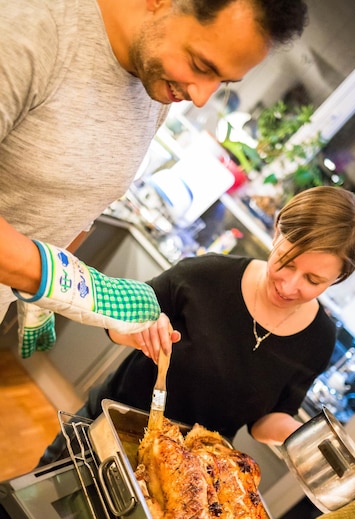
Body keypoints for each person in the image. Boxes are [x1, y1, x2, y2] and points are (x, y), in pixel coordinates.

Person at [0, 186, 355, 519]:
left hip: (193, 476)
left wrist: (294, 436)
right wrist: (137, 330)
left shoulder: (318, 341)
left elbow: (265, 419)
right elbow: (117, 318)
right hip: (107, 432)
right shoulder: (205, 276)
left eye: (314, 280)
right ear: (278, 232)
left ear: (338, 280)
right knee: (35, 512)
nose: (290, 285)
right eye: (287, 262)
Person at [0, 0, 308, 357]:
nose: (201, 96)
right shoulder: (34, 27)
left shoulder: (155, 88)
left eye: (221, 81)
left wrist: (42, 291)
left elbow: (81, 204)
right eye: (200, 65)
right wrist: (79, 290)